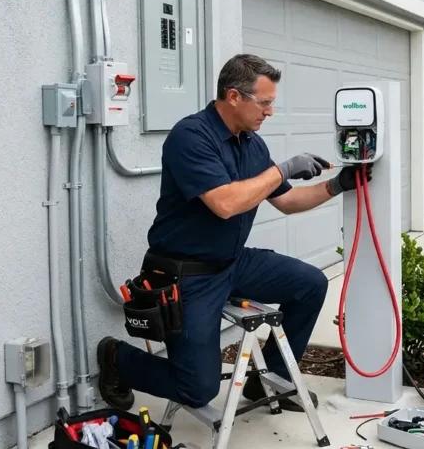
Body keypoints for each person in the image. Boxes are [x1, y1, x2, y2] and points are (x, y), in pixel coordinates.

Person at [97, 53, 371, 412]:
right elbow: (224, 204)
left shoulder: (252, 144)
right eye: (265, 102)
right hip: (187, 273)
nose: (270, 112)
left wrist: (336, 185)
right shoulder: (190, 136)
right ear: (234, 96)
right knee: (198, 389)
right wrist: (283, 168)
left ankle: (268, 381)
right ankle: (118, 358)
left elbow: (286, 201)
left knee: (310, 284)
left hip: (233, 263)